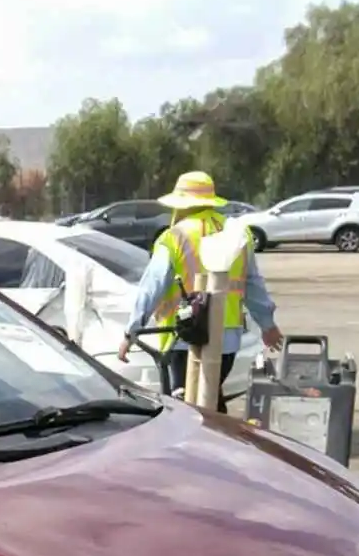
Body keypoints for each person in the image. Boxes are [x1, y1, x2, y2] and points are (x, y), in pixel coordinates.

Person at [116, 171, 281, 399]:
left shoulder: (174, 237)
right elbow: (253, 284)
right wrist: (268, 326)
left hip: (185, 336)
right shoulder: (237, 233)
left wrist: (131, 332)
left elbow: (151, 288)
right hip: (227, 340)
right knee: (210, 399)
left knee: (186, 406)